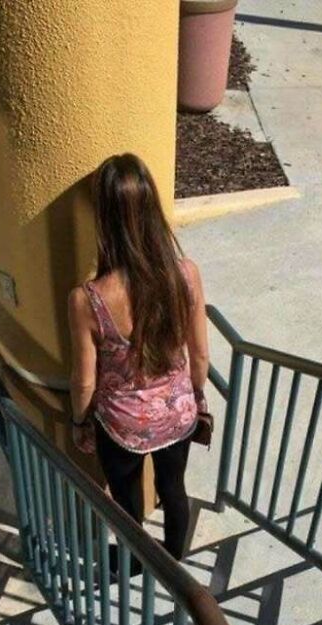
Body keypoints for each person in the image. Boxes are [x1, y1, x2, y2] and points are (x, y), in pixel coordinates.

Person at [67, 153, 209, 561]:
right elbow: (199, 355)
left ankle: (135, 564)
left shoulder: (87, 300)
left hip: (121, 425)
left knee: (128, 505)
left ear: (103, 218)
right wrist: (194, 399)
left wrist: (79, 421)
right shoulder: (186, 274)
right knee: (174, 489)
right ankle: (175, 561)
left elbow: (84, 381)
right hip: (178, 412)